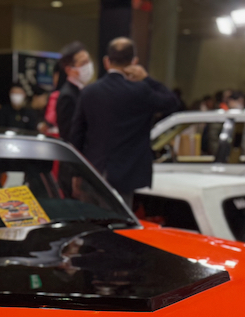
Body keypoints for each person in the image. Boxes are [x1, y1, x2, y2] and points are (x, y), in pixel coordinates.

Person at [69, 37, 178, 205]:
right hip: (124, 175)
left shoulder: (89, 92)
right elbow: (172, 102)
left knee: (90, 219)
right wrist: (146, 78)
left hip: (92, 172)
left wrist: (76, 173)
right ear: (134, 62)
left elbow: (76, 135)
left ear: (106, 61)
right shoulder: (140, 91)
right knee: (118, 220)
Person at [56, 41, 93, 142]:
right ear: (69, 69)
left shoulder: (84, 90)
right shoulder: (67, 96)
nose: (88, 66)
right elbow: (68, 134)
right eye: (83, 63)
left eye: (88, 61)